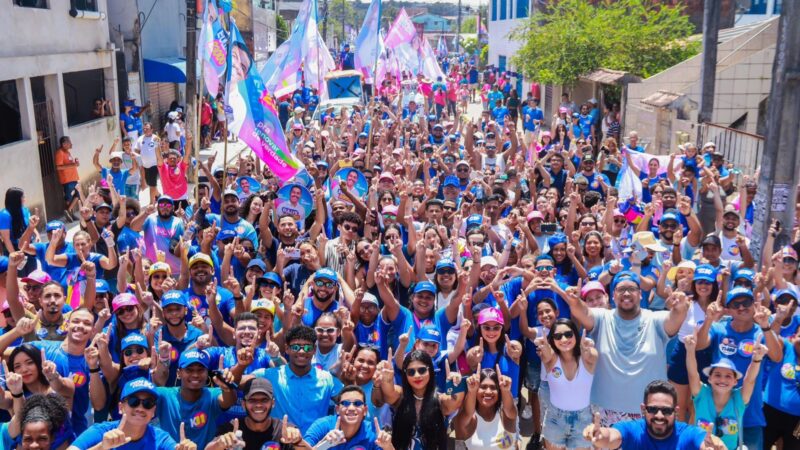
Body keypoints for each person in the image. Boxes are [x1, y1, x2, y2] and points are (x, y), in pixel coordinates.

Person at [582, 380, 725, 449]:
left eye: (666, 410)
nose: (659, 416)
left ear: (676, 411)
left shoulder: (687, 434)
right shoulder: (632, 430)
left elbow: (704, 442)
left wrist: (713, 446)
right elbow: (611, 436)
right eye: (652, 409)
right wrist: (599, 436)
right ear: (643, 409)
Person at [68, 378, 197, 450]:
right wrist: (102, 447)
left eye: (148, 403)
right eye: (134, 401)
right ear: (121, 407)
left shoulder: (160, 438)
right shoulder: (101, 431)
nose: (140, 408)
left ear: (153, 412)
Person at [453, 365, 517, 450]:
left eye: (493, 388)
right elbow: (467, 412)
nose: (488, 392)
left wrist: (505, 390)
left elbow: (510, 409)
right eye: (483, 387)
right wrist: (472, 391)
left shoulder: (505, 416)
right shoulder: (467, 419)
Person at [54, 137, 81, 220]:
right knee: (70, 197)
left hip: (73, 178)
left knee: (76, 195)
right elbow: (58, 167)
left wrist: (75, 163)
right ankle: (69, 212)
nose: (71, 144)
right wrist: (73, 165)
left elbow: (68, 164)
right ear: (64, 144)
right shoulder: (60, 153)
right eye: (69, 142)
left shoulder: (67, 153)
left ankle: (69, 212)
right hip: (67, 180)